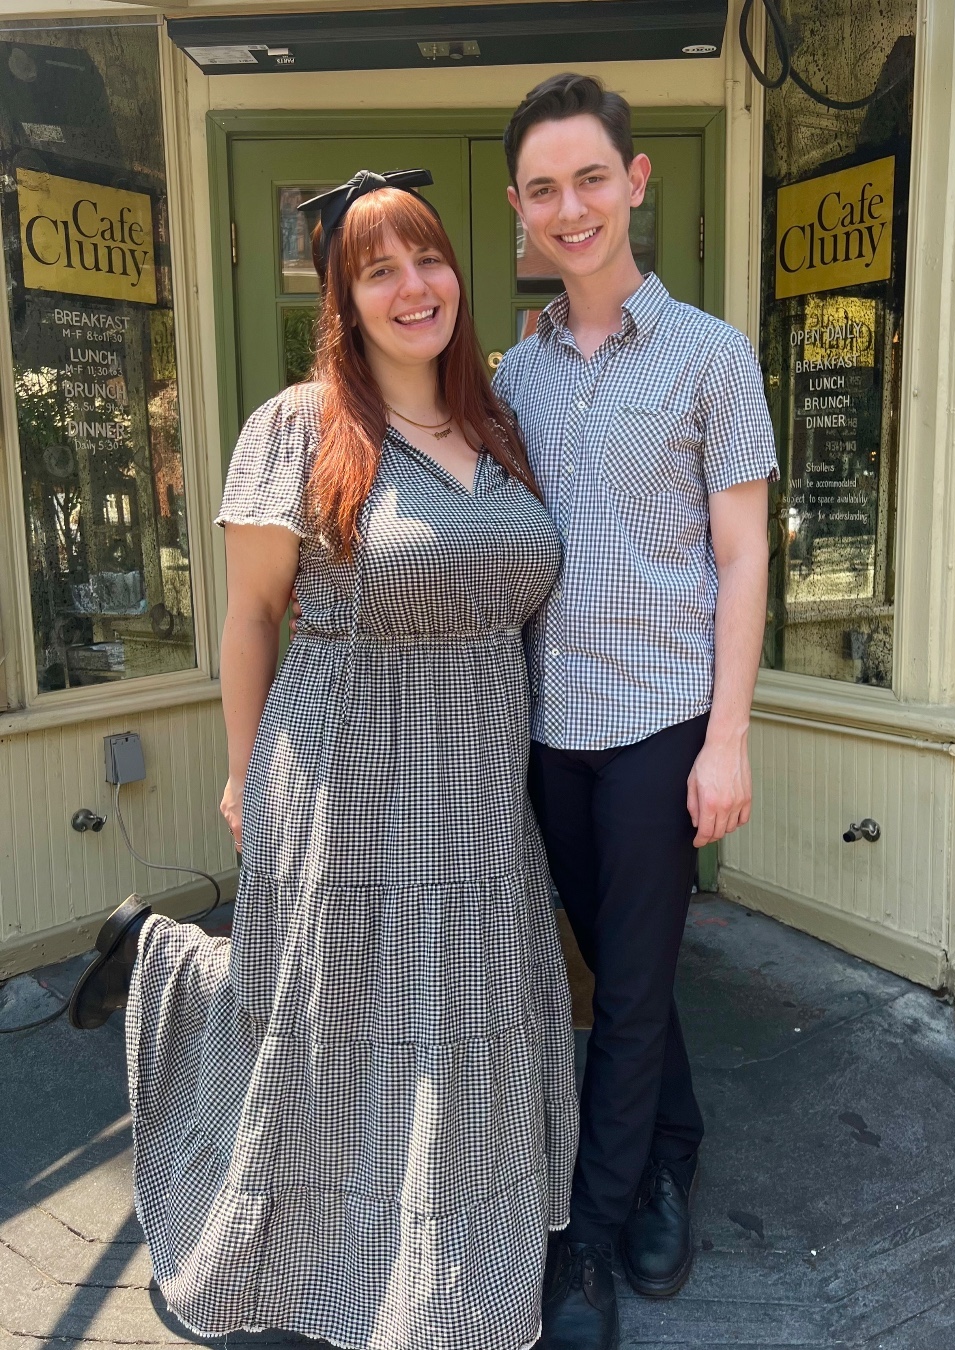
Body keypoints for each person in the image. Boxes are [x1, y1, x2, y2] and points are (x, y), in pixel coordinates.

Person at [67, 169, 578, 1350]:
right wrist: (241, 771)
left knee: (461, 1012)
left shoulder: (498, 425)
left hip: (477, 779)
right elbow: (252, 616)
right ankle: (328, 1249)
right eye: (378, 270)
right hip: (346, 770)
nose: (415, 287)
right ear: (342, 301)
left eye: (429, 259)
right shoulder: (299, 426)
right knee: (327, 1013)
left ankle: (448, 1261)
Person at [494, 76, 778, 1350]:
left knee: (625, 992)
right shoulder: (512, 376)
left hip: (663, 722)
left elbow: (744, 557)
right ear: (520, 207)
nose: (572, 208)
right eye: (545, 189)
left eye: (591, 179)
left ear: (636, 181)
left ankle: (591, 1241)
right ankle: (674, 1147)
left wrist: (728, 738)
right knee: (626, 971)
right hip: (550, 728)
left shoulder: (713, 355)